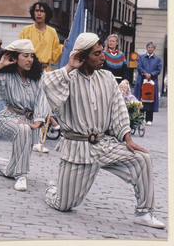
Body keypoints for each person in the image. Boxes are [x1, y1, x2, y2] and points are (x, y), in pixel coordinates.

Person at [42, 32, 165, 229]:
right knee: (64, 205)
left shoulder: (107, 77)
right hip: (77, 150)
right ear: (82, 56)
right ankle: (54, 188)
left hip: (104, 145)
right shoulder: (68, 78)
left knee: (142, 159)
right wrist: (69, 66)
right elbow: (47, 85)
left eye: (102, 52)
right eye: (97, 53)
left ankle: (144, 213)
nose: (103, 57)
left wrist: (127, 138)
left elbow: (118, 108)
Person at [0, 39, 50, 191]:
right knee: (23, 129)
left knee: (10, 168)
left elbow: (42, 98)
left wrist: (37, 122)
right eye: (25, 56)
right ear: (15, 57)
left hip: (30, 121)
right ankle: (21, 176)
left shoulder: (38, 76)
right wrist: (0, 64)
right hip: (8, 118)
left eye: (32, 56)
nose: (30, 60)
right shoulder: (5, 76)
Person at [19, 1, 62, 152]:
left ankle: (38, 140)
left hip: (45, 70)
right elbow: (20, 49)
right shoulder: (26, 30)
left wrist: (65, 46)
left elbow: (55, 56)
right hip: (29, 69)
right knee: (29, 104)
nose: (39, 13)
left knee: (42, 105)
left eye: (42, 11)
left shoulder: (52, 32)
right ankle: (28, 136)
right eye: (36, 10)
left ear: (46, 14)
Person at [133, 41, 162, 126]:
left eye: (152, 47)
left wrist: (151, 74)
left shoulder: (158, 59)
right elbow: (139, 66)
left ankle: (149, 119)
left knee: (150, 98)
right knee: (141, 98)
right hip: (141, 80)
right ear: (146, 48)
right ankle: (140, 118)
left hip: (152, 81)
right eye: (149, 47)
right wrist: (145, 73)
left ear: (154, 49)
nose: (150, 49)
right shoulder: (141, 57)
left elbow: (158, 69)